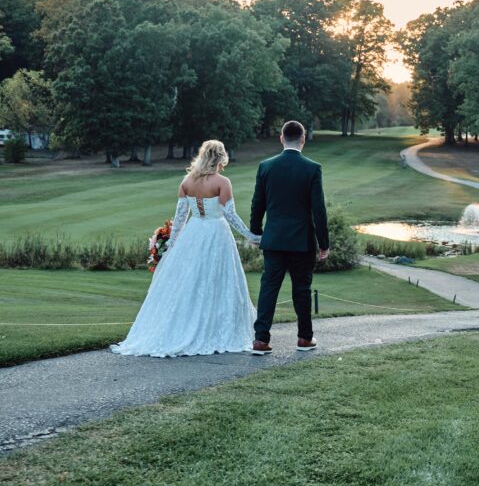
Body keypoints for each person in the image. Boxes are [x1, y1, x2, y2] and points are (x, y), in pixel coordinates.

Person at [110, 140, 260, 357]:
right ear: (220, 158)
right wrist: (251, 236)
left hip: (193, 232)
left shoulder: (187, 181)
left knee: (190, 280)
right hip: (217, 233)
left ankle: (184, 323)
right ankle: (213, 327)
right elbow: (230, 214)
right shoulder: (222, 182)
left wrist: (172, 243)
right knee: (218, 279)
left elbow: (180, 218)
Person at [249, 120, 329, 354]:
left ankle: (260, 341)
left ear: (281, 138)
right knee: (301, 289)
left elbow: (257, 204)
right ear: (303, 139)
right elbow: (319, 210)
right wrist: (324, 244)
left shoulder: (266, 166)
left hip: (274, 239)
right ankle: (305, 338)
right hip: (302, 241)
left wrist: (256, 233)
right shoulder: (312, 168)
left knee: (269, 288)